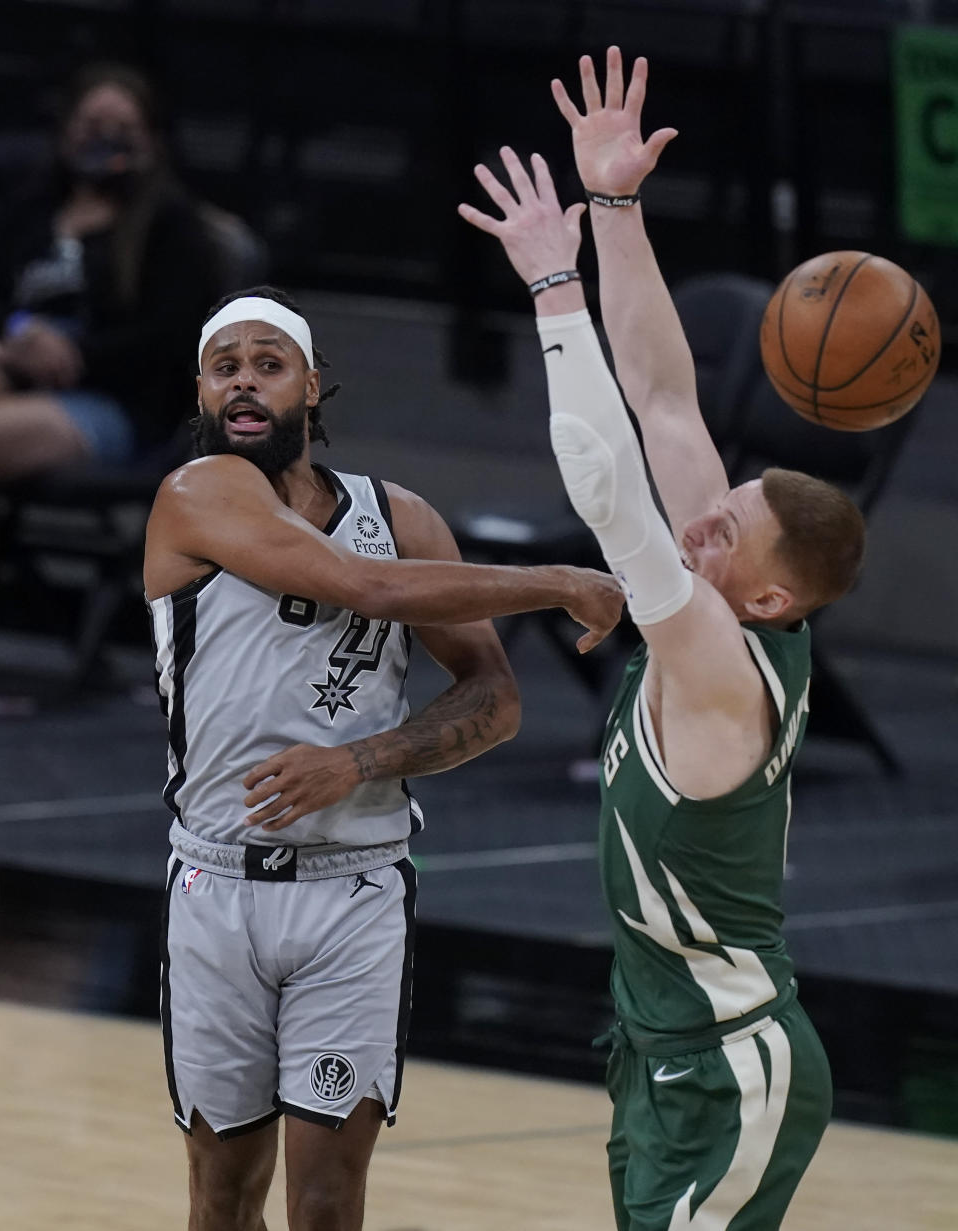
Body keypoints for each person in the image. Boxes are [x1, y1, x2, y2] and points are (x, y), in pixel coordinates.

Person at [458, 47, 866, 1231]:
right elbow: (664, 398)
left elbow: (606, 488)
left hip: (732, 1070)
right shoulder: (725, 590)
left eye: (727, 524)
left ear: (772, 600)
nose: (705, 517)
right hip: (664, 1052)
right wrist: (616, 207)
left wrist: (553, 288)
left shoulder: (714, 658)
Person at [143, 284, 624, 1231]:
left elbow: (494, 701)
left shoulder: (399, 517)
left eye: (268, 364)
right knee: (222, 1193)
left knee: (327, 1202)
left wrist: (357, 760)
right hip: (215, 888)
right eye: (223, 366)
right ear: (199, 392)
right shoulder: (195, 493)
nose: (244, 381)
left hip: (354, 892)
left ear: (313, 386)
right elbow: (360, 584)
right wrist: (560, 580)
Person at [0, 63, 220, 480]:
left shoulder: (171, 226)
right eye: (93, 123)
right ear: (67, 130)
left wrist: (70, 357)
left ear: (151, 142)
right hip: (18, 368)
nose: (105, 137)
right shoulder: (32, 207)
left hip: (112, 400)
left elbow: (167, 337)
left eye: (122, 127)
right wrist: (19, 331)